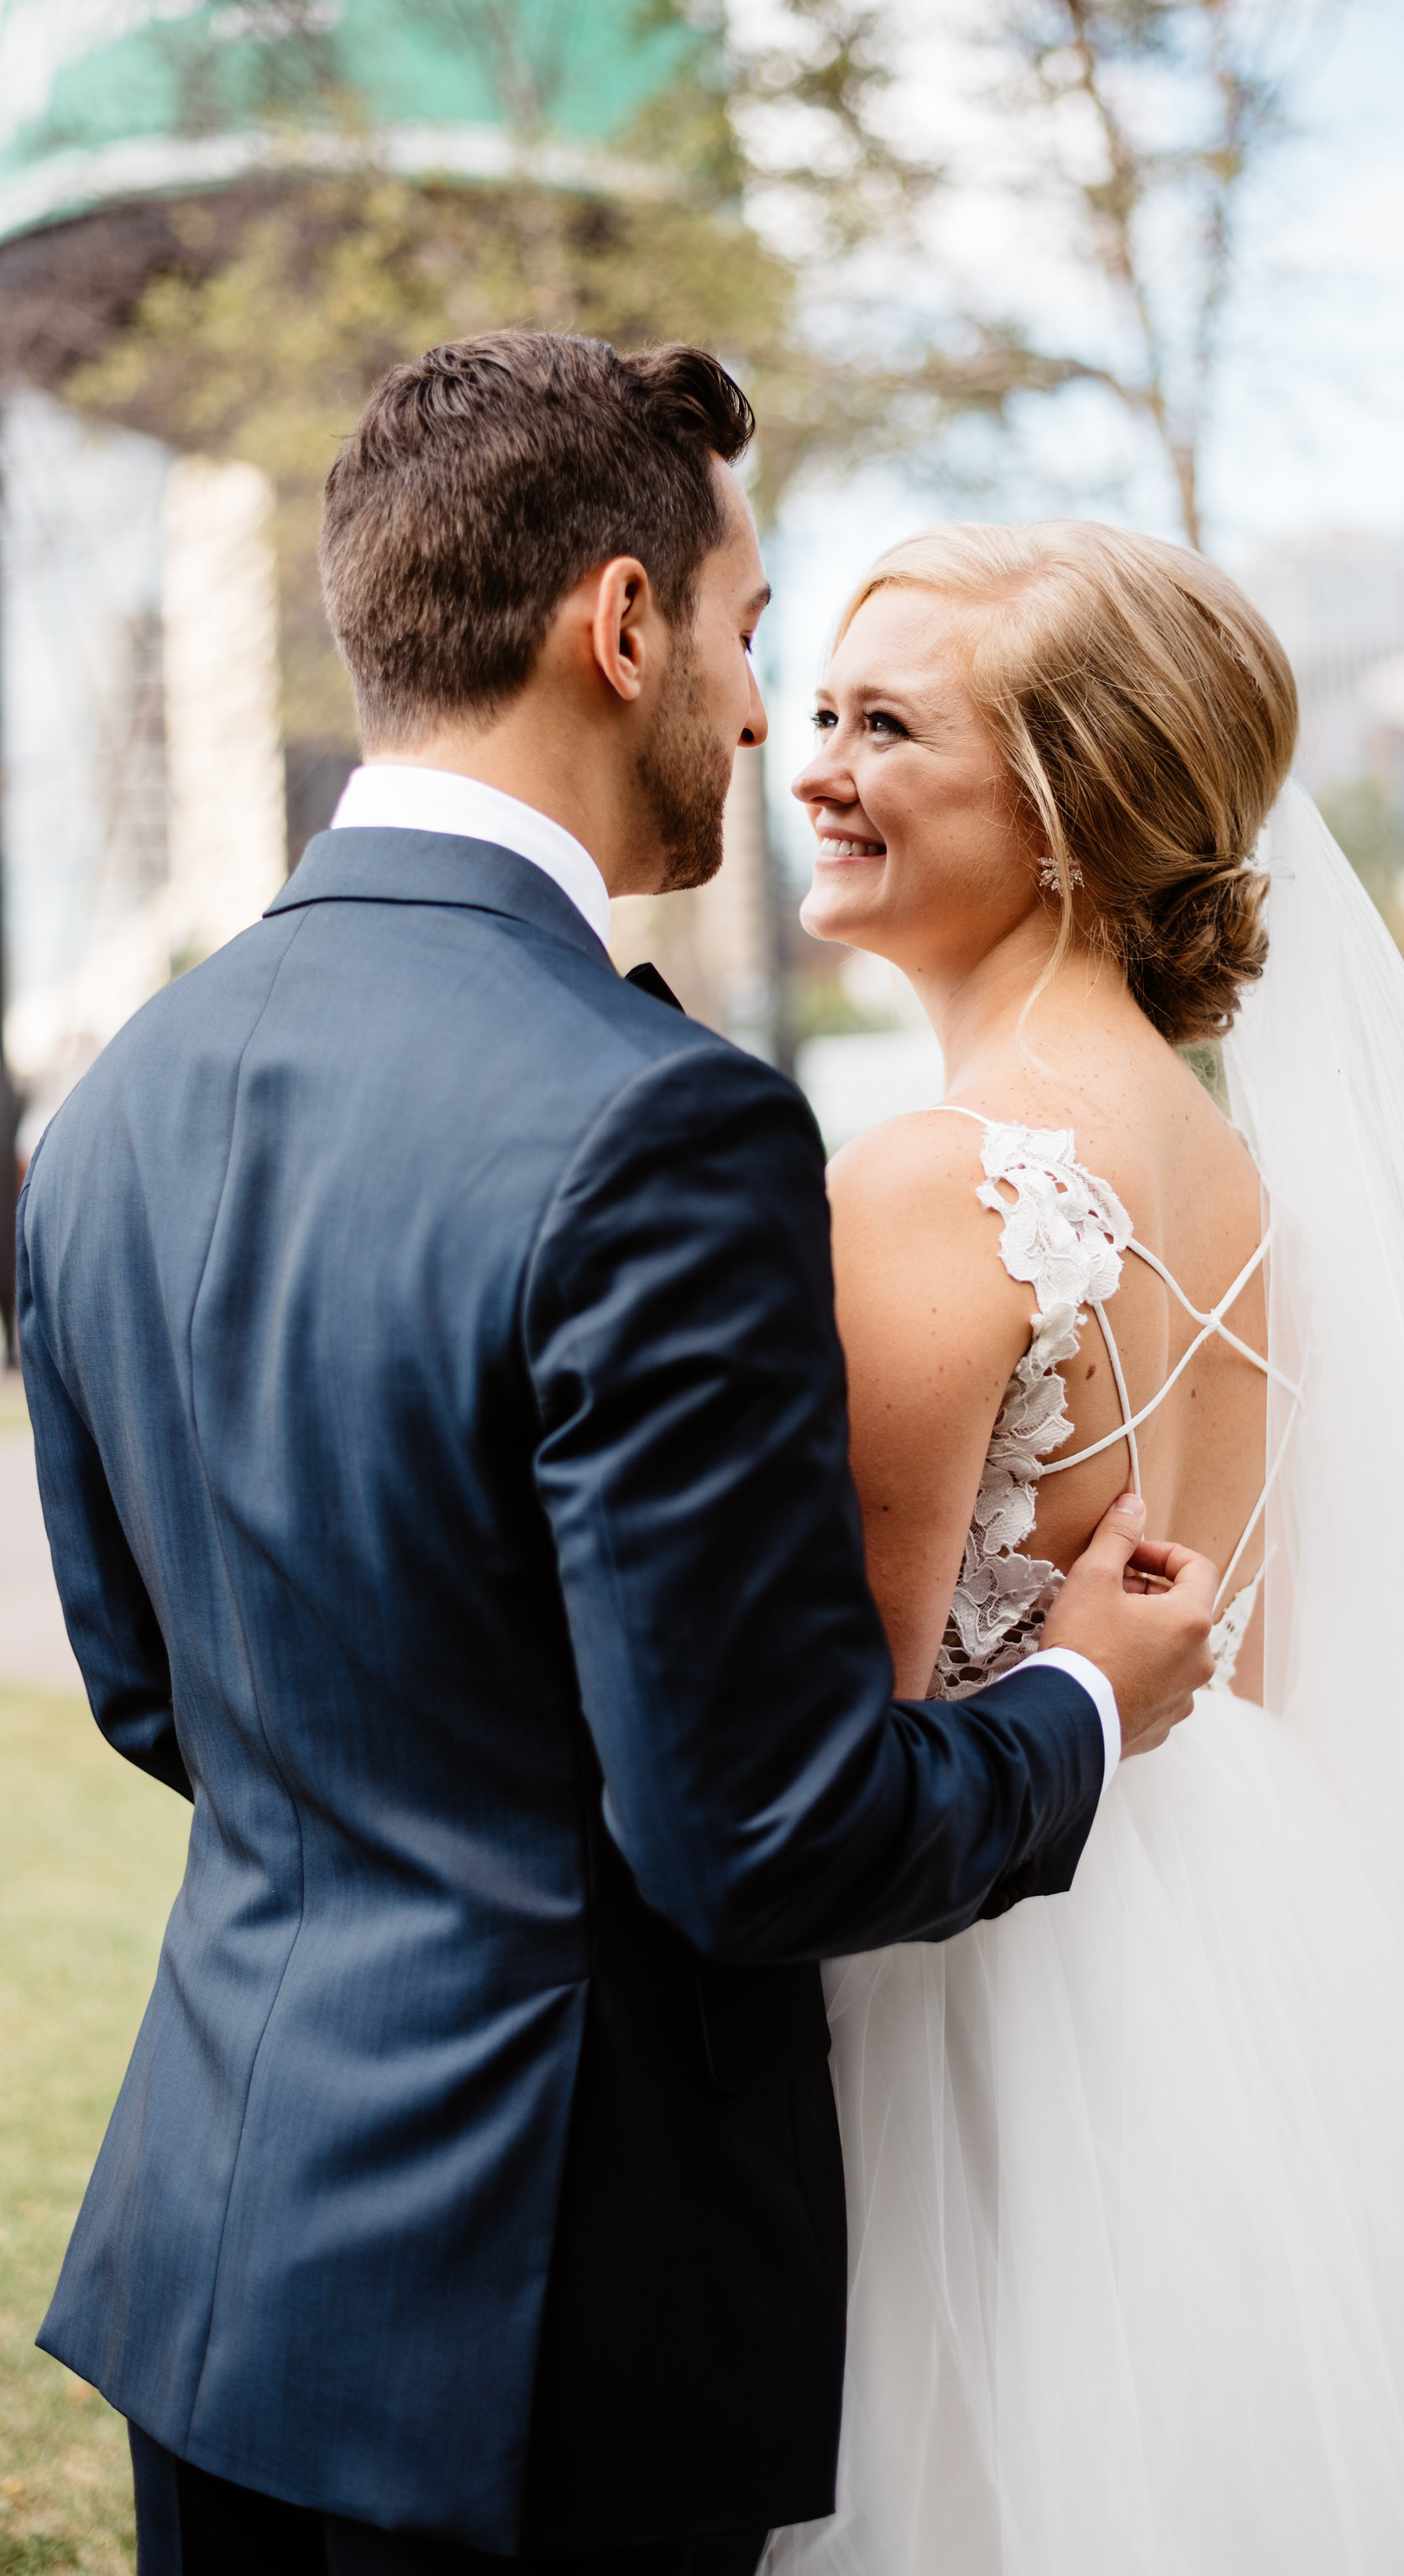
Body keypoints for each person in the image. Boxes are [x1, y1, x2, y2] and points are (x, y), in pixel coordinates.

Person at [14, 343, 1221, 2576]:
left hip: (218, 2272)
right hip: (540, 2342)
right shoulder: (654, 1124)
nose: (771, 721)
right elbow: (764, 1838)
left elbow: (158, 1692)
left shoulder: (115, 1108)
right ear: (627, 622)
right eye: (758, 636)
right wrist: (1080, 1702)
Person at [765, 519, 1404, 2573]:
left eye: (884, 724)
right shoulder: (1239, 1183)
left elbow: (833, 1740)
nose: (811, 766)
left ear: (1067, 808)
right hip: (1237, 1949)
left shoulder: (936, 1185)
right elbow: (1240, 1670)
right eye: (819, 712)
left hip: (986, 1974)